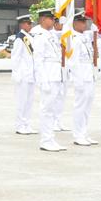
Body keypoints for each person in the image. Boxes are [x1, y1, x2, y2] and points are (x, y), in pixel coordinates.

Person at [31, 9, 65, 152]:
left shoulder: (49, 34)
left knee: (52, 110)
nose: (53, 22)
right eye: (51, 19)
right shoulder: (39, 36)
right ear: (43, 20)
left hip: (55, 76)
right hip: (48, 77)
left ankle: (51, 139)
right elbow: (38, 59)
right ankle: (45, 140)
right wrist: (42, 80)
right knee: (46, 109)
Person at [66, 14, 97, 146]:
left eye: (85, 22)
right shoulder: (73, 38)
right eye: (82, 22)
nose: (85, 24)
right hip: (81, 77)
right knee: (80, 106)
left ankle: (84, 132)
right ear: (75, 23)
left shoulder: (83, 37)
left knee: (87, 106)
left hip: (88, 75)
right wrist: (77, 79)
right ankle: (78, 135)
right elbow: (73, 61)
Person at [8, 14, 37, 136]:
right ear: (22, 24)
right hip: (23, 75)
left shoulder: (29, 37)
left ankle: (27, 124)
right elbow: (15, 58)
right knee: (22, 101)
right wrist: (17, 74)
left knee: (29, 101)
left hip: (30, 74)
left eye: (31, 23)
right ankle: (20, 125)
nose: (30, 26)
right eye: (28, 23)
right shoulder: (20, 39)